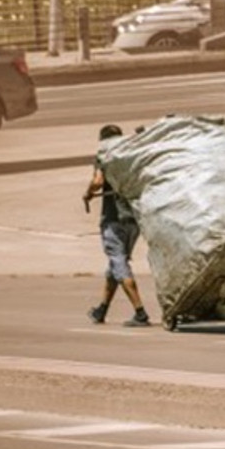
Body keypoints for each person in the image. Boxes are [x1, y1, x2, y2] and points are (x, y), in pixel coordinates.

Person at [82, 124, 151, 327]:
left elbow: (97, 182)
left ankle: (140, 312)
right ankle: (101, 310)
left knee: (120, 265)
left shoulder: (104, 156)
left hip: (113, 221)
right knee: (115, 266)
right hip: (133, 222)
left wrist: (88, 193)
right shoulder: (131, 158)